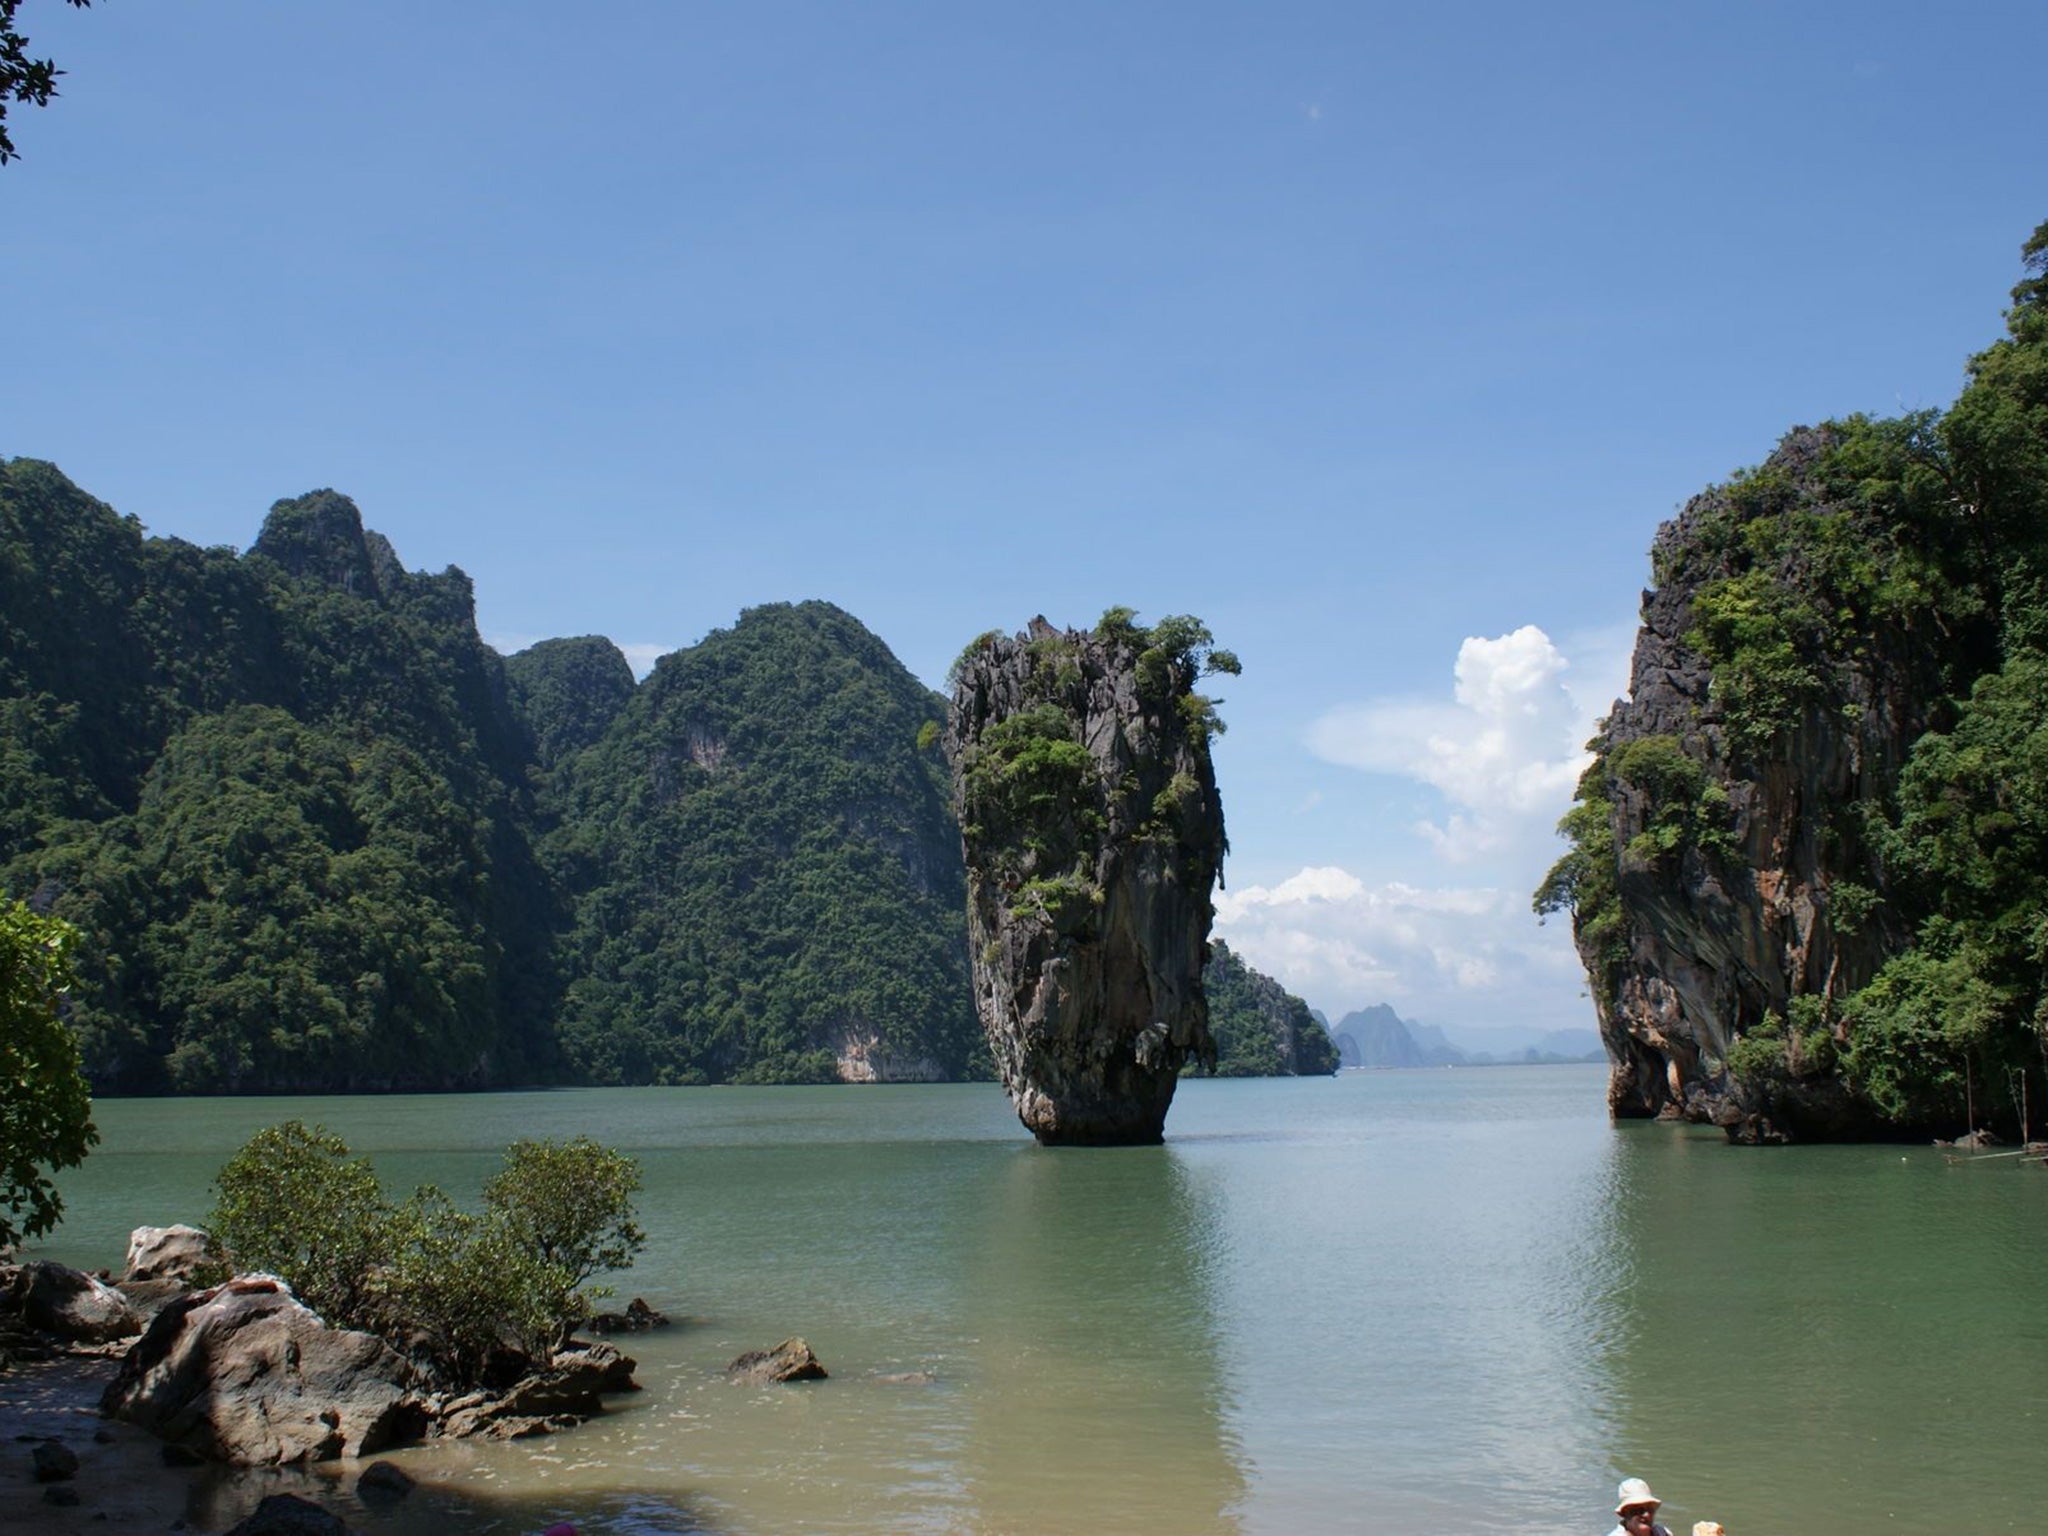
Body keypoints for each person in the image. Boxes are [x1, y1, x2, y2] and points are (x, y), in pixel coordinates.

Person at [1608, 1477, 1674, 1536]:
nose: (1646, 1515)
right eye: (1639, 1510)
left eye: (1650, 1509)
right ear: (1623, 1513)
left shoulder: (1663, 1532)